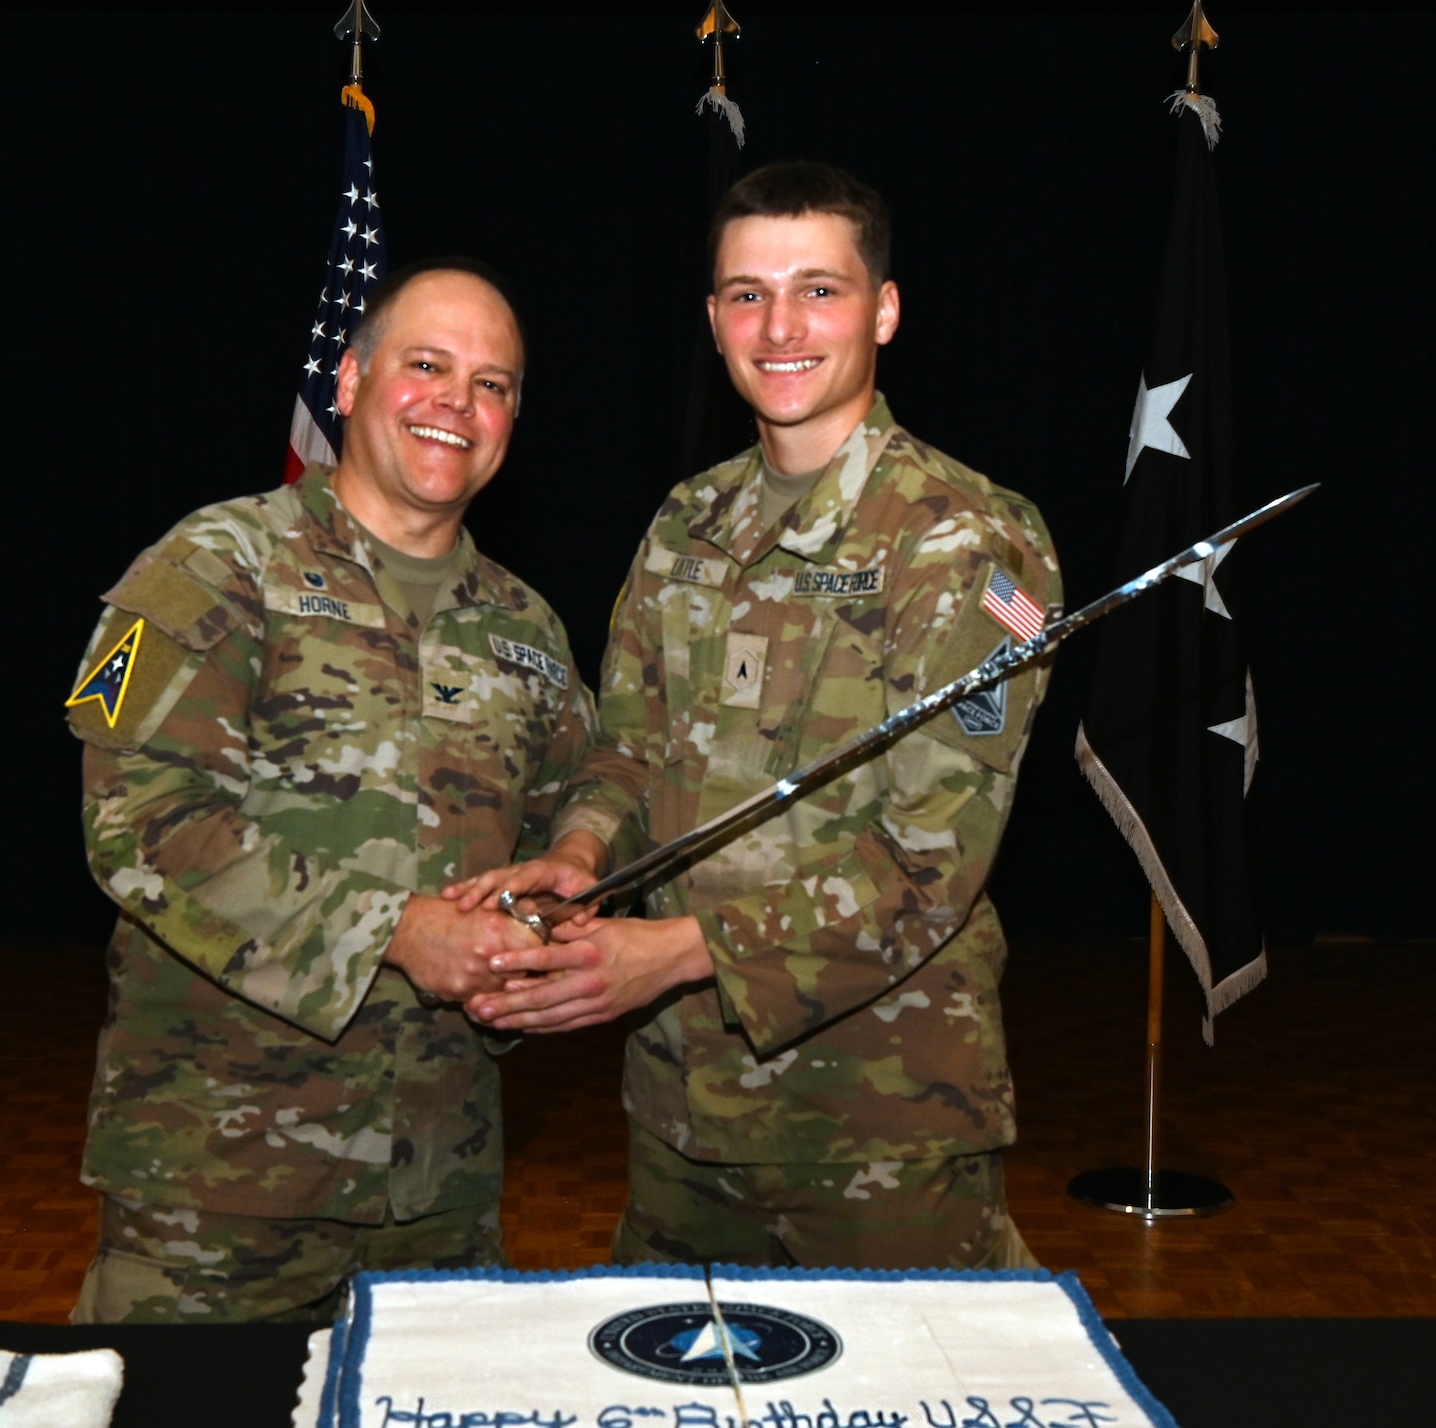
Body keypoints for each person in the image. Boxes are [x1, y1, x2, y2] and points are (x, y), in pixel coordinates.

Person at [454, 163, 1061, 1271]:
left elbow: (929, 863)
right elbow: (628, 751)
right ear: (713, 317)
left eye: (817, 291)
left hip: (876, 1127)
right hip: (680, 1113)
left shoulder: (967, 547)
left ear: (882, 309)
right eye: (746, 294)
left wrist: (674, 954)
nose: (778, 326)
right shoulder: (688, 522)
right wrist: (581, 854)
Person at [61, 260, 594, 1323]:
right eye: (427, 365)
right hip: (221, 1183)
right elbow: (142, 825)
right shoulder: (210, 570)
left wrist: (553, 906)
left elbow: (571, 810)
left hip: (441, 1185)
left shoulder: (526, 628)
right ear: (348, 383)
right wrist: (396, 934)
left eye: (492, 384)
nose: (457, 402)